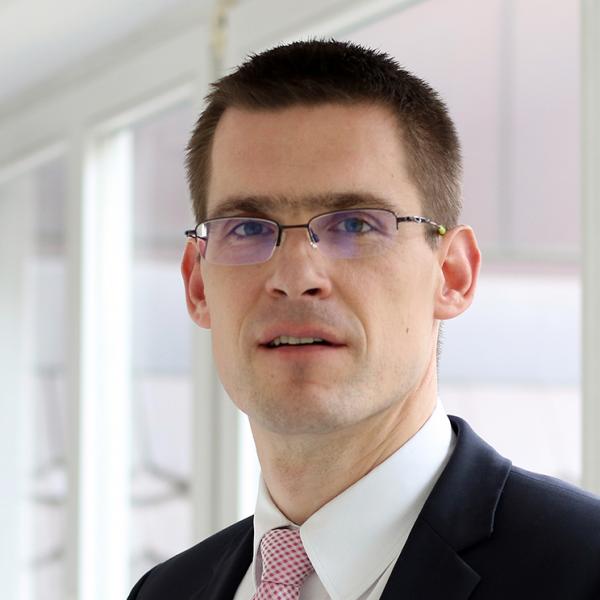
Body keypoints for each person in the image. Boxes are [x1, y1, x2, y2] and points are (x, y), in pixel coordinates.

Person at [128, 39, 600, 599]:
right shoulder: (164, 591)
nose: (295, 275)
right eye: (247, 228)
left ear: (452, 274)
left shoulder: (584, 568)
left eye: (355, 225)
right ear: (198, 284)